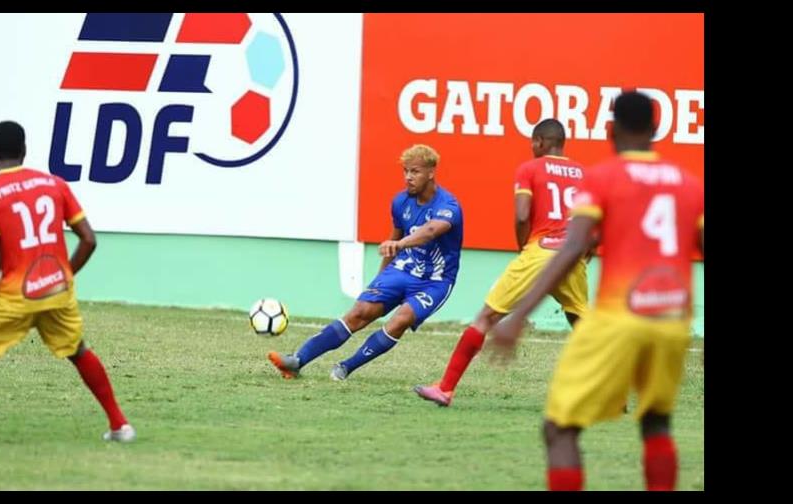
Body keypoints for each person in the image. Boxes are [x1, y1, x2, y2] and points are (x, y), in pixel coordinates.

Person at [488, 91, 704, 491]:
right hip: (673, 319)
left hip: (620, 319)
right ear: (656, 130)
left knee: (560, 427)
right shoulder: (689, 184)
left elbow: (573, 247)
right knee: (657, 423)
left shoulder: (604, 178)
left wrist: (518, 316)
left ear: (611, 129)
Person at [415, 119, 588, 407]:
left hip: (540, 251)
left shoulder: (530, 168)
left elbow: (522, 215)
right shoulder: (584, 174)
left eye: (533, 143)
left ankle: (445, 388)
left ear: (540, 142)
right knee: (582, 324)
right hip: (572, 253)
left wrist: (525, 248)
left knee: (486, 317)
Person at [0, 121, 135, 442]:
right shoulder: (55, 184)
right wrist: (60, 276)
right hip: (56, 291)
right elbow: (89, 240)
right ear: (25, 151)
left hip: (14, 297)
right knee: (78, 351)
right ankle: (120, 425)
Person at [268, 144, 463, 381]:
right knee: (359, 312)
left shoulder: (448, 206)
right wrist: (380, 279)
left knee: (400, 320)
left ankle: (347, 367)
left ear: (431, 172)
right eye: (406, 171)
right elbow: (394, 239)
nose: (408, 178)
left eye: (415, 172)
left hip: (435, 280)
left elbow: (431, 231)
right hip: (403, 269)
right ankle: (297, 360)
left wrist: (400, 245)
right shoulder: (401, 202)